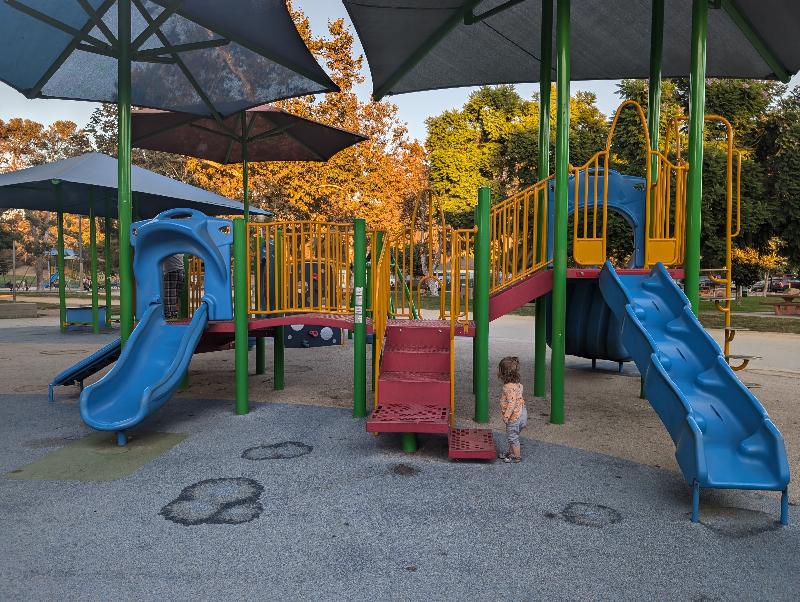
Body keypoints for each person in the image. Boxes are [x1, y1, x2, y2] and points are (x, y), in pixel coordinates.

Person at [497, 356, 528, 463]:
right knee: (513, 436)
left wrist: (506, 416)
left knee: (513, 438)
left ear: (503, 373)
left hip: (514, 417)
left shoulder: (508, 387)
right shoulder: (518, 384)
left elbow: (512, 402)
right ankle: (510, 453)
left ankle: (517, 456)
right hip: (522, 414)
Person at [162, 253, 185, 319]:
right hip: (181, 270)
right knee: (175, 295)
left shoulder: (169, 244)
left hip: (171, 270)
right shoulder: (179, 245)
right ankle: (173, 314)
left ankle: (169, 315)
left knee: (169, 295)